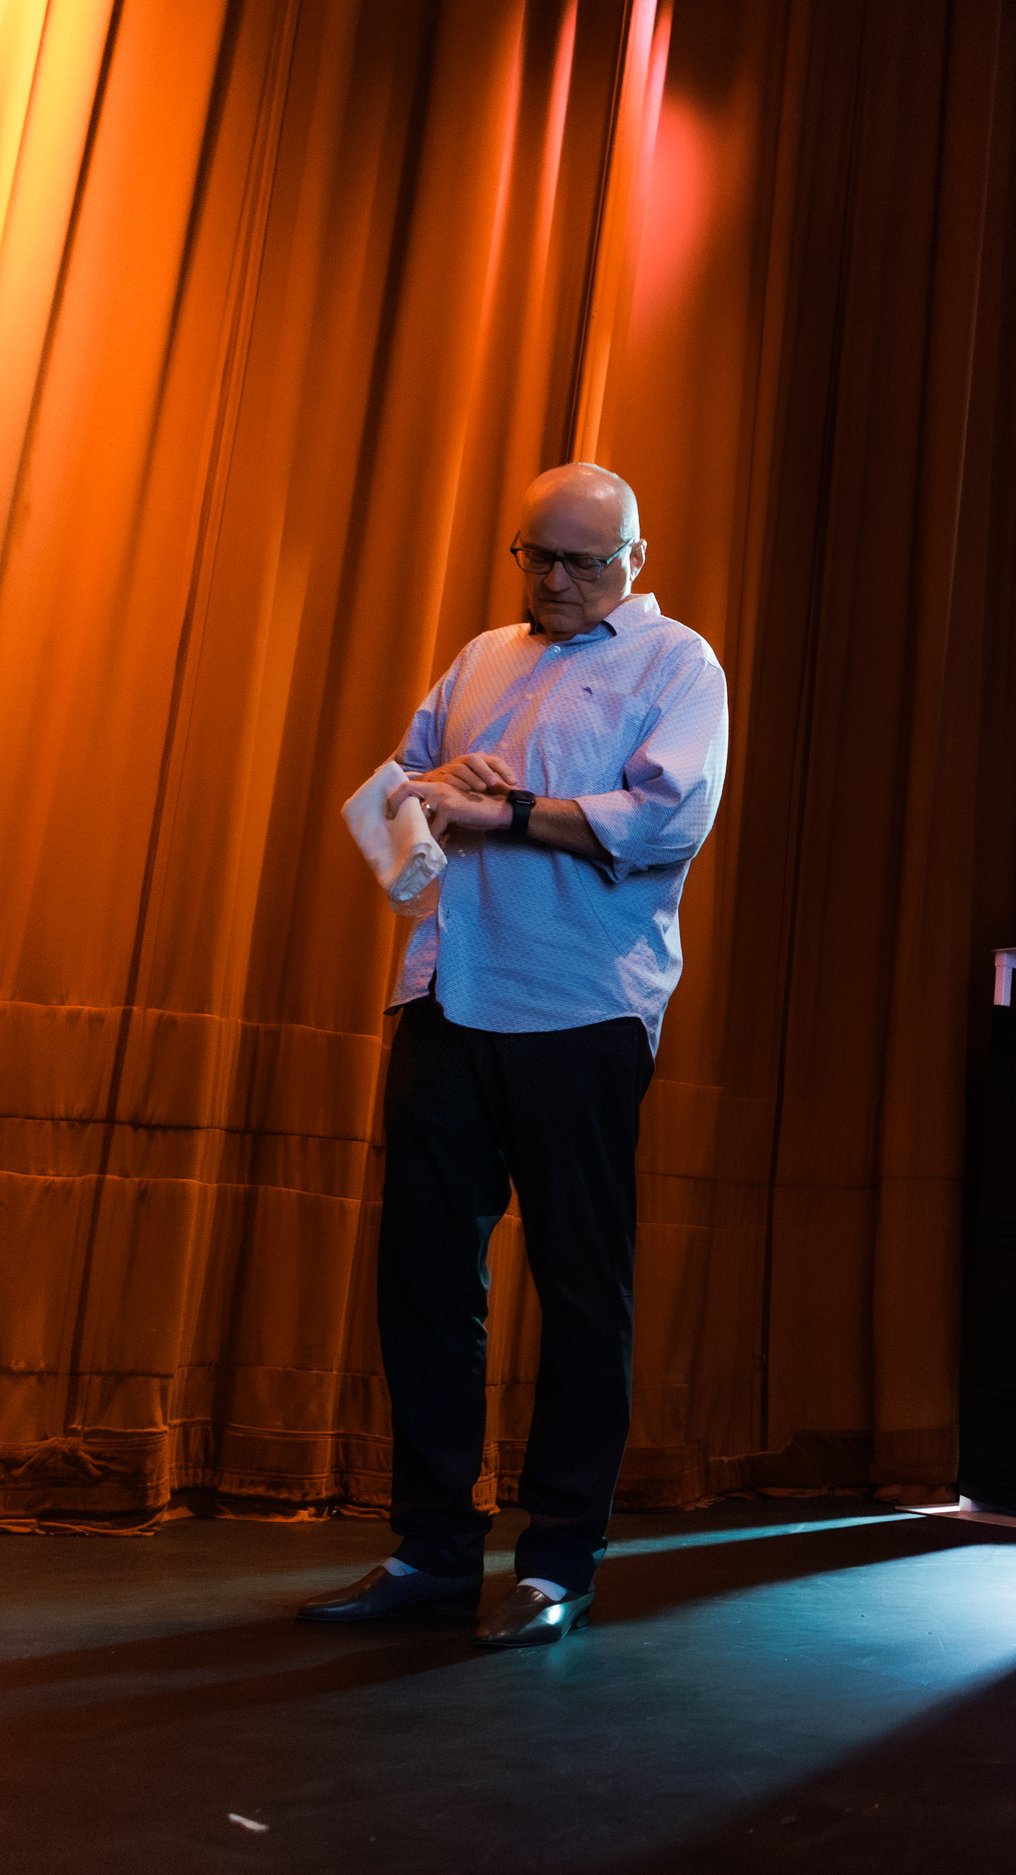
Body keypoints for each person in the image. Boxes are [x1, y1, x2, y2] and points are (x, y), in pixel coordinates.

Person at [299, 463, 729, 1647]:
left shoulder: (676, 665)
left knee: (583, 1292)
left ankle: (554, 1562)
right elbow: (386, 811)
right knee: (426, 1283)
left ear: (634, 558)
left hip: (582, 1010)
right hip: (449, 993)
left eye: (581, 562)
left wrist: (509, 810)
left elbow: (666, 822)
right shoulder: (482, 655)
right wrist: (435, 791)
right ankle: (432, 1551)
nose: (552, 581)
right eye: (534, 556)